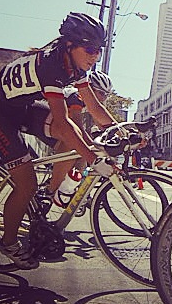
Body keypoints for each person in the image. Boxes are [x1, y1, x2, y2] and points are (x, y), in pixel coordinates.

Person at [0, 13, 119, 269]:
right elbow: (64, 123)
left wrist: (120, 132)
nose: (95, 56)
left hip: (23, 107)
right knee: (27, 184)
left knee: (71, 142)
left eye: (99, 50)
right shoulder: (52, 66)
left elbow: (94, 106)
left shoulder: (75, 64)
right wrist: (92, 158)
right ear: (70, 45)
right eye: (90, 49)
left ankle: (51, 190)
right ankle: (8, 242)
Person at [37, 68, 115, 207]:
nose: (103, 98)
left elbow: (103, 124)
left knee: (81, 154)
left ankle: (67, 186)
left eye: (107, 95)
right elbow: (78, 129)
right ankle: (55, 190)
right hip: (42, 121)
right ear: (91, 88)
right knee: (79, 150)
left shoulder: (87, 102)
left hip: (56, 127)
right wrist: (95, 148)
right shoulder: (76, 96)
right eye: (101, 93)